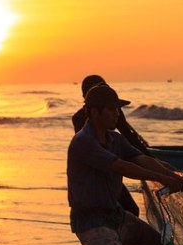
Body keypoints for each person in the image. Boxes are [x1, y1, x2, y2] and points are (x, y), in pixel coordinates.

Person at [67, 83, 183, 245]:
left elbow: (141, 159)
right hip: (90, 221)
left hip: (115, 214)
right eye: (112, 109)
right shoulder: (83, 142)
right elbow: (122, 167)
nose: (117, 113)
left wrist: (175, 177)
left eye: (118, 109)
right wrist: (161, 178)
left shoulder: (115, 139)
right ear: (94, 112)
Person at [70, 74, 167, 217]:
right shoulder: (81, 123)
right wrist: (159, 174)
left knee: (130, 210)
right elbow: (121, 145)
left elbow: (128, 139)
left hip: (112, 171)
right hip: (97, 176)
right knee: (120, 211)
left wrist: (153, 161)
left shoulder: (112, 114)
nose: (115, 112)